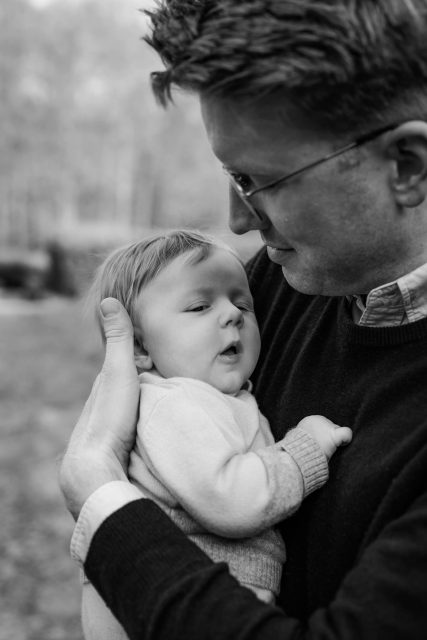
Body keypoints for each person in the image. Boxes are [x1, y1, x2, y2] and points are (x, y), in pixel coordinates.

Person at [60, 2, 427, 639]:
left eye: (258, 179)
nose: (237, 219)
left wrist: (102, 498)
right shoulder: (275, 282)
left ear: (406, 166)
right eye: (230, 174)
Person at [81, 229, 351, 639]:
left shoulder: (213, 397)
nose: (232, 315)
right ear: (139, 347)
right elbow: (231, 500)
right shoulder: (173, 405)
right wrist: (304, 450)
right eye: (199, 306)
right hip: (168, 602)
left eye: (242, 302)